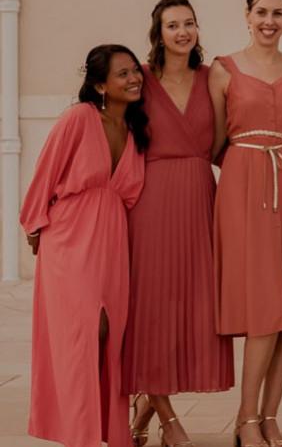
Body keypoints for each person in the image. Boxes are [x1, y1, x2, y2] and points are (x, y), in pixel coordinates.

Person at [22, 44, 148, 447]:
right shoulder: (79, 118)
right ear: (99, 85)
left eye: (134, 71)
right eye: (122, 74)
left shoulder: (134, 130)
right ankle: (79, 434)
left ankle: (106, 431)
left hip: (112, 243)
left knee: (110, 335)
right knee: (83, 334)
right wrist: (35, 226)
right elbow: (45, 173)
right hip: (71, 240)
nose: (133, 79)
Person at [210, 0, 282, 447]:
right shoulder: (222, 70)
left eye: (278, 13)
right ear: (247, 16)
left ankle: (269, 416)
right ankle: (246, 418)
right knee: (264, 307)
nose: (269, 21)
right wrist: (248, 166)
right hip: (244, 185)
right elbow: (214, 141)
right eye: (261, 12)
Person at [124, 0, 234, 447]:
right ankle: (170, 422)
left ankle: (145, 405)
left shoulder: (213, 77)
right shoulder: (140, 80)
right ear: (158, 31)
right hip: (150, 203)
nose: (182, 31)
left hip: (200, 197)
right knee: (152, 315)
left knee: (191, 314)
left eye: (189, 23)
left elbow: (225, 138)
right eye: (172, 25)